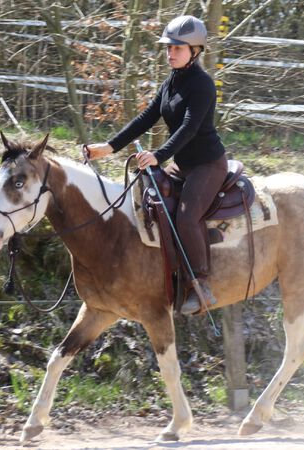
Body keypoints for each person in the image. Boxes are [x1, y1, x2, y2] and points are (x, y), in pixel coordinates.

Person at [87, 15, 227, 316]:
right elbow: (145, 118)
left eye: (177, 48)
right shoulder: (170, 83)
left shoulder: (203, 85)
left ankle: (200, 285)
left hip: (208, 165)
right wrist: (108, 148)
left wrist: (158, 155)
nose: (170, 53)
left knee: (187, 217)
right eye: (168, 47)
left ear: (195, 50)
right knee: (147, 200)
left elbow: (189, 128)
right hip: (183, 164)